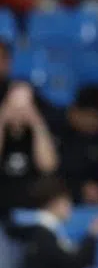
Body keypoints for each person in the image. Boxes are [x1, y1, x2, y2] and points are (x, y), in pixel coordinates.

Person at [0, 82, 60, 222]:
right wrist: (2, 119)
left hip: (31, 210)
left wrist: (37, 123)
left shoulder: (38, 133)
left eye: (26, 105)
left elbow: (48, 166)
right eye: (14, 104)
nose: (20, 110)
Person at [52, 84, 98, 206]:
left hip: (89, 207)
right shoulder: (53, 128)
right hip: (56, 201)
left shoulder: (96, 136)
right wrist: (78, 189)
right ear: (75, 111)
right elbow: (48, 175)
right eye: (92, 117)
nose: (96, 123)